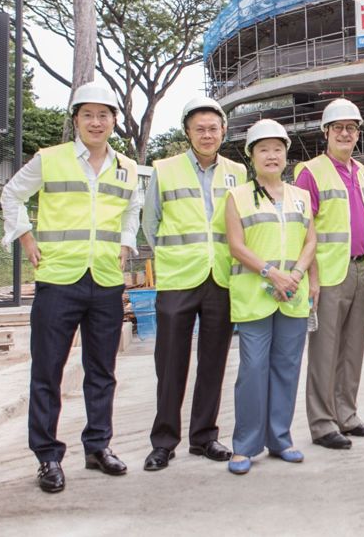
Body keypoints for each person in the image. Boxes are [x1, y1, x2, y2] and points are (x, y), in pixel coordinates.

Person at [0, 80, 141, 493]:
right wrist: (25, 236)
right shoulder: (50, 159)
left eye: (104, 115)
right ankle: (47, 456)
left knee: (102, 371)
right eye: (88, 115)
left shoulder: (127, 167)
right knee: (48, 371)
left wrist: (127, 242)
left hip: (105, 281)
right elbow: (11, 194)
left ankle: (98, 446)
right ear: (76, 120)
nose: (96, 122)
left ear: (114, 120)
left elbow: (132, 208)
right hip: (58, 281)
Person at [141, 97, 246, 471]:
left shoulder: (237, 172)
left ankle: (204, 437)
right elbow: (150, 225)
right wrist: (175, 256)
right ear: (187, 132)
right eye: (199, 128)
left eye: (213, 128)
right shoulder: (164, 170)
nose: (206, 134)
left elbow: (243, 224)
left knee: (213, 362)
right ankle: (164, 442)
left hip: (221, 278)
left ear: (223, 131)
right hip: (178, 279)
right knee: (170, 364)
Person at [224, 119, 317, 474]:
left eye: (277, 149)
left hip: (292, 295)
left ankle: (281, 438)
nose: (272, 155)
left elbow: (311, 241)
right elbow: (236, 245)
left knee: (287, 368)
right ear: (251, 156)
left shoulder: (301, 196)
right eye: (263, 149)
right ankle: (245, 445)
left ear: (286, 154)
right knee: (252, 369)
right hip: (254, 295)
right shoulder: (238, 197)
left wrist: (294, 275)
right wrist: (270, 272)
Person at [295, 98, 364, 450]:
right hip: (329, 273)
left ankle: (346, 414)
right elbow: (305, 229)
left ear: (358, 134)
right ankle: (322, 422)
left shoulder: (360, 171)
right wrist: (311, 278)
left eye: (351, 128)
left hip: (361, 269)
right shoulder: (310, 171)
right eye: (338, 128)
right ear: (326, 132)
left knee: (352, 349)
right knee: (325, 352)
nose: (345, 133)